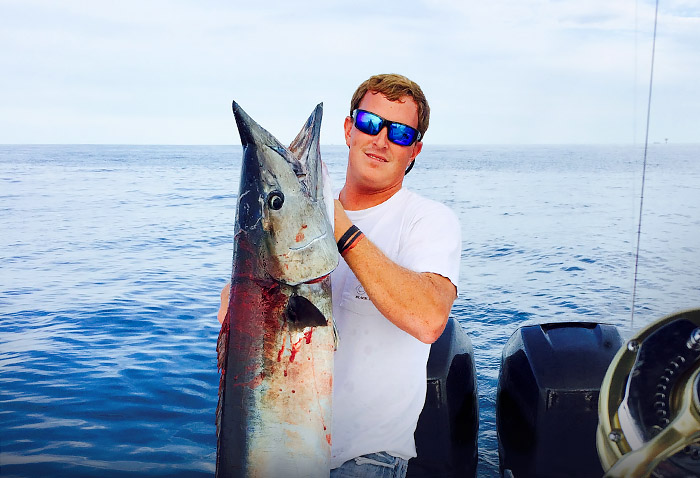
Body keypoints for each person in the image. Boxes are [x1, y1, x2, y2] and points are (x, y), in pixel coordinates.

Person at [219, 73, 461, 478]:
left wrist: (335, 225)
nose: (381, 139)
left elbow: (429, 319)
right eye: (370, 123)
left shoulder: (428, 221)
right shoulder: (300, 233)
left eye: (400, 132)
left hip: (367, 461)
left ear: (414, 149)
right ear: (349, 130)